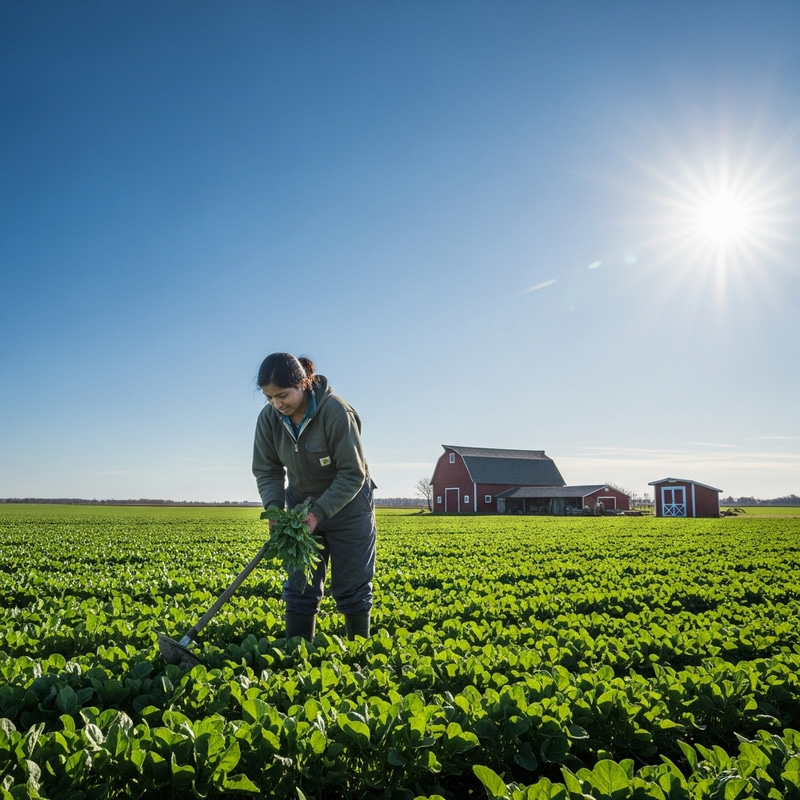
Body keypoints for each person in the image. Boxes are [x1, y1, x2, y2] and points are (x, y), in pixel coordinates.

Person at [252, 352, 376, 643]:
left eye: (282, 395)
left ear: (303, 384)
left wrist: (318, 513)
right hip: (300, 507)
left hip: (348, 507)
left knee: (353, 587)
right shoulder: (269, 419)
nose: (277, 404)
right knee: (300, 585)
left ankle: (360, 655)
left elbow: (353, 473)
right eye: (269, 398)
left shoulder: (335, 412)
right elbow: (267, 470)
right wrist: (274, 510)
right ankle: (297, 654)